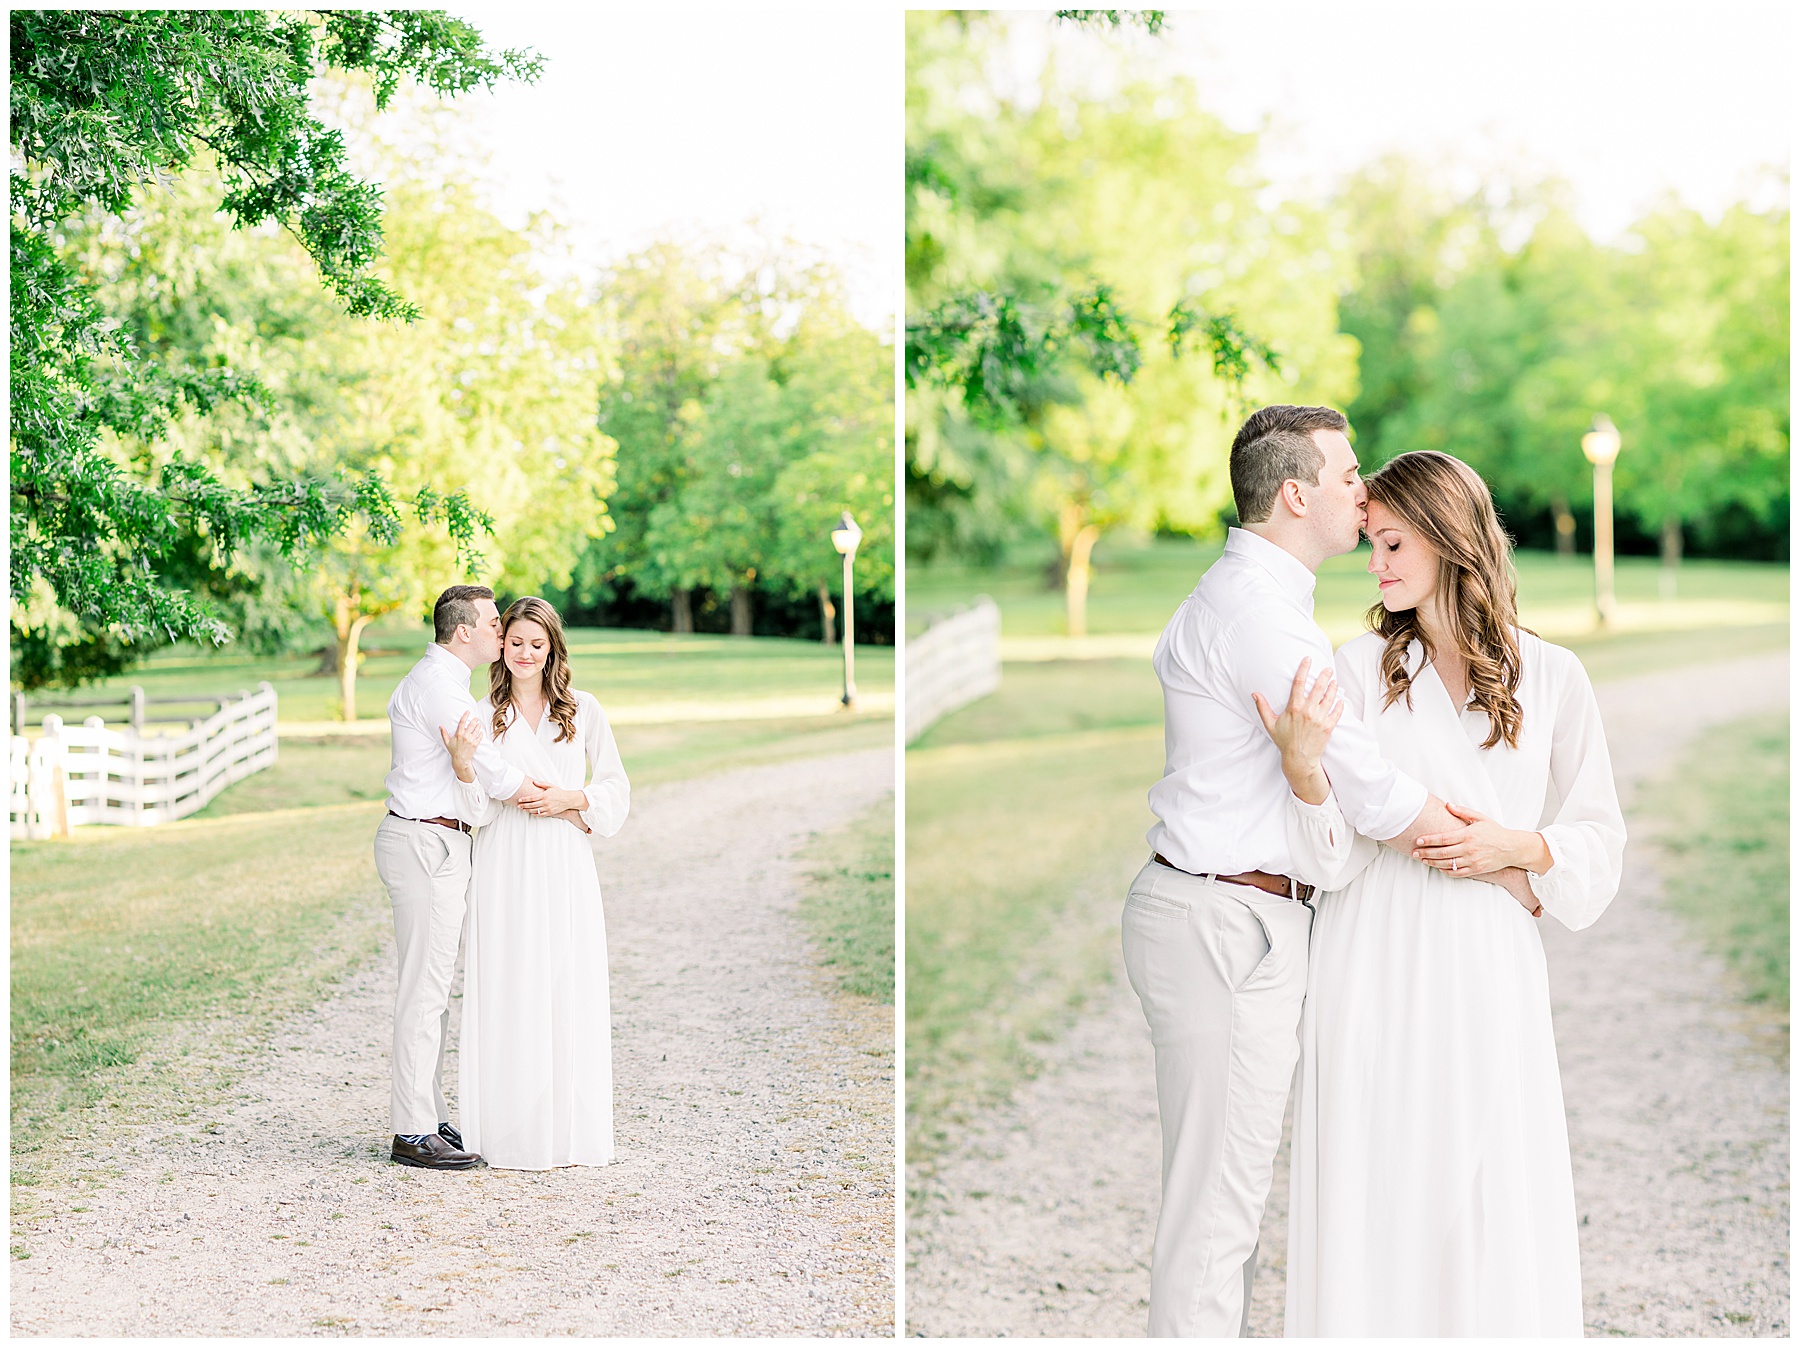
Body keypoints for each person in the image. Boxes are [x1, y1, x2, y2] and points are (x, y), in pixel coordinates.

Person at [1120, 405, 1537, 1336]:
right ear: (1297, 493)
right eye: (1349, 478)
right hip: (1224, 922)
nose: (1363, 491)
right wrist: (1495, 855)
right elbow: (1374, 793)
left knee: (1221, 1209)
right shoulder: (1263, 619)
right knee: (1215, 1218)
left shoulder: (1261, 604)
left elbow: (1326, 806)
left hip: (1227, 915)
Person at [1258, 450, 1625, 1335]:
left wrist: (1514, 848)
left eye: (1391, 543)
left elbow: (1599, 844)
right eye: (1370, 545)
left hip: (1489, 961)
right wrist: (1306, 775)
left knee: (1491, 1189)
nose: (1375, 564)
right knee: (1378, 1185)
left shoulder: (1552, 676)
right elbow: (1333, 857)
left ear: (1449, 539)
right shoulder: (1351, 670)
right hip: (1373, 956)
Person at [443, 595, 630, 1170]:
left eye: (537, 644)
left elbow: (617, 792)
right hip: (505, 863)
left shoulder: (583, 709)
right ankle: (505, 1132)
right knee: (510, 984)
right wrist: (465, 767)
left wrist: (572, 800)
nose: (525, 653)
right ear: (502, 646)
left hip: (563, 862)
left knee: (562, 983)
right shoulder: (482, 713)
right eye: (516, 641)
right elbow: (475, 809)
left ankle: (567, 1132)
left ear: (552, 650)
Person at [374, 584, 548, 1170]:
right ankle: (411, 1131)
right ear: (463, 631)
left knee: (434, 991)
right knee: (423, 992)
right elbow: (495, 774)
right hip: (425, 840)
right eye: (494, 623)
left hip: (437, 838)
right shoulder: (440, 691)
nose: (502, 632)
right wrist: (553, 798)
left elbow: (474, 779)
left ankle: (427, 1113)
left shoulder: (445, 685)